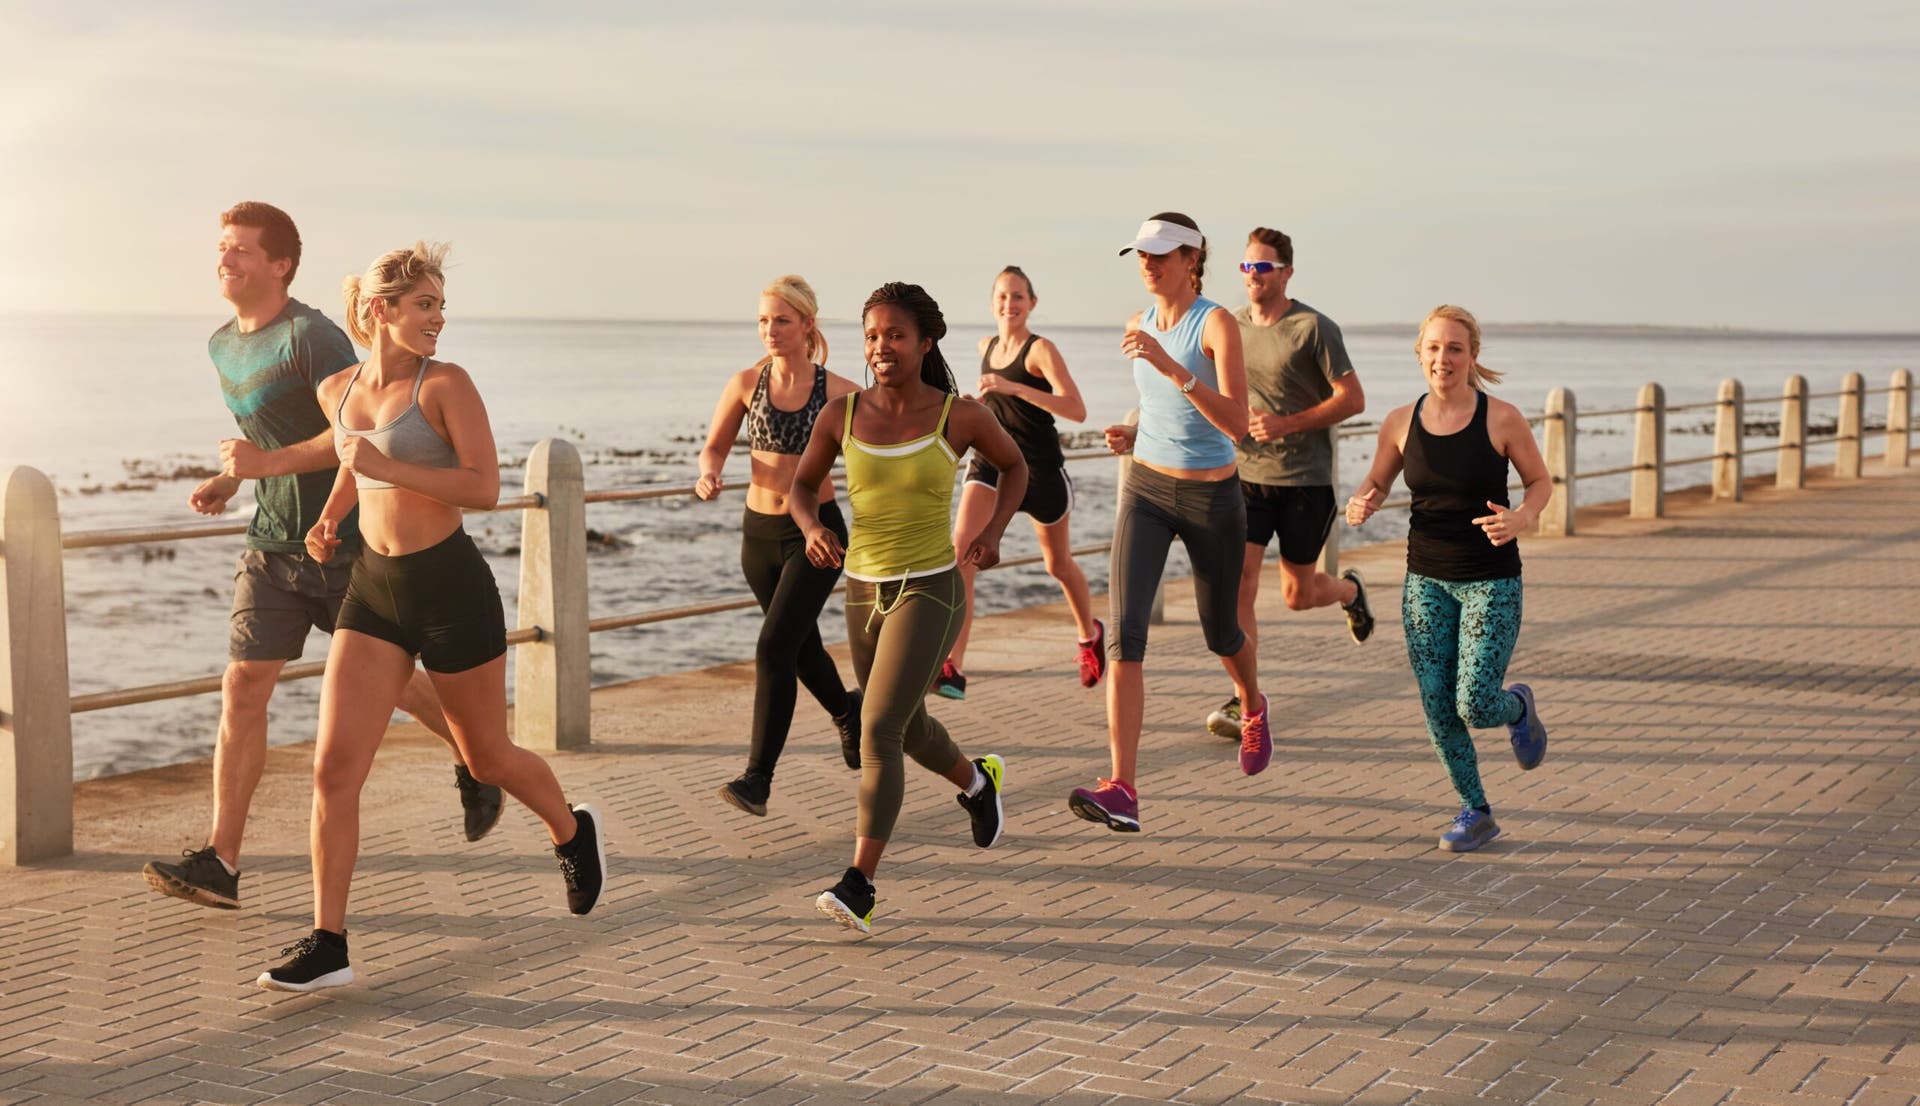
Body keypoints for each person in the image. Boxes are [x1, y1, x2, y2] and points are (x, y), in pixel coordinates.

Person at [257, 242, 605, 992]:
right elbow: (353, 460)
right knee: (333, 770)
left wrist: (387, 470)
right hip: (374, 590)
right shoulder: (338, 389)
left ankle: (572, 832)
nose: (438, 319)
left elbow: (483, 488)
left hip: (450, 588)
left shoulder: (447, 385)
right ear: (382, 311)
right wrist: (329, 517)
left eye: (442, 306)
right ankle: (329, 943)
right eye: (425, 306)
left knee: (487, 758)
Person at [143, 203, 497, 914]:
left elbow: (357, 428)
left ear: (280, 265)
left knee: (395, 686)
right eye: (222, 247)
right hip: (273, 540)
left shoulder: (313, 336)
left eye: (241, 250)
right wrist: (234, 475)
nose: (226, 259)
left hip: (348, 543)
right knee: (243, 687)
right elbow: (262, 435)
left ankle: (476, 756)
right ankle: (222, 860)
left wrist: (275, 468)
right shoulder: (222, 344)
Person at [789, 282, 1023, 934]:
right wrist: (812, 529)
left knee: (878, 729)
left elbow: (1015, 466)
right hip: (862, 590)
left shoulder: (960, 416)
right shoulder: (841, 414)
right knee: (910, 727)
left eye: (894, 335)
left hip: (930, 587)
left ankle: (860, 883)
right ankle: (978, 784)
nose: (881, 347)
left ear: (924, 342)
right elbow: (801, 488)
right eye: (871, 336)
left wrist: (994, 532)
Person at [1067, 213, 1270, 836]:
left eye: (1161, 255)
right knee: (1126, 635)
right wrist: (1133, 432)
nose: (1148, 265)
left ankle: (1254, 704)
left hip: (1212, 500)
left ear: (1192, 259)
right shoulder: (1137, 324)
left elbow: (1236, 422)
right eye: (1141, 255)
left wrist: (1173, 368)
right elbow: (1158, 406)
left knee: (1222, 633)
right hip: (1147, 490)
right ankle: (1122, 786)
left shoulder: (1216, 323)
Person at [1345, 305, 1550, 853]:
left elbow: (1539, 482)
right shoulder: (1399, 421)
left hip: (1491, 581)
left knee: (1476, 702)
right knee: (1437, 704)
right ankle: (1475, 810)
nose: (1444, 358)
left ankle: (1518, 707)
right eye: (1434, 348)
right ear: (1420, 354)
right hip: (1425, 582)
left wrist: (1521, 519)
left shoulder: (1502, 418)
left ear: (1472, 357)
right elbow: (1378, 478)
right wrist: (1366, 498)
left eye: (1455, 348)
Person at [695, 276, 863, 816]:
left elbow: (875, 456)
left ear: (807, 326)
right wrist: (710, 475)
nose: (770, 330)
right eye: (764, 320)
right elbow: (714, 447)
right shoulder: (746, 382)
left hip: (817, 531)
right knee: (798, 644)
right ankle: (847, 712)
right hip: (758, 536)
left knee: (773, 648)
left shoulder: (838, 391)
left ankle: (757, 779)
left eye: (782, 320)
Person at [1204, 227, 1374, 740]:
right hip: (1245, 477)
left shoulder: (1314, 328)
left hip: (1304, 480)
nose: (1253, 276)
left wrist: (1287, 422)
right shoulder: (1229, 326)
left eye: (1263, 267)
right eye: (1246, 267)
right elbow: (1205, 389)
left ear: (1286, 273)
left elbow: (1353, 399)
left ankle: (1349, 590)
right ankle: (1244, 700)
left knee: (1297, 596)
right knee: (1241, 585)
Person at [933, 265, 1102, 700]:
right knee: (962, 555)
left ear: (1032, 303)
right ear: (993, 303)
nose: (1010, 304)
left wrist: (1014, 387)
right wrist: (976, 403)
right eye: (1003, 297)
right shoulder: (986, 345)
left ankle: (1089, 636)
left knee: (1057, 565)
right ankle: (953, 667)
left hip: (1041, 470)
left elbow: (1076, 409)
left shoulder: (1040, 350)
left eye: (1018, 297)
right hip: (993, 463)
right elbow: (997, 406)